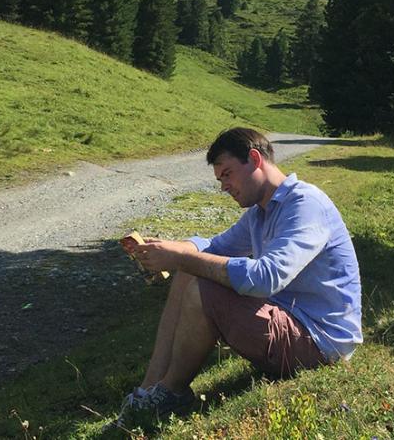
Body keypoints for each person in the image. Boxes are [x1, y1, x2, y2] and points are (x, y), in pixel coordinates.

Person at [108, 128, 362, 430]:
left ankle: (171, 394)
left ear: (254, 159)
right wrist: (172, 249)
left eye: (227, 174)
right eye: (220, 179)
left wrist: (181, 259)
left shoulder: (305, 204)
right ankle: (148, 392)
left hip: (321, 342)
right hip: (294, 324)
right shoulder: (261, 212)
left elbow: (267, 278)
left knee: (202, 287)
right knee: (189, 270)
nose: (224, 187)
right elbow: (215, 246)